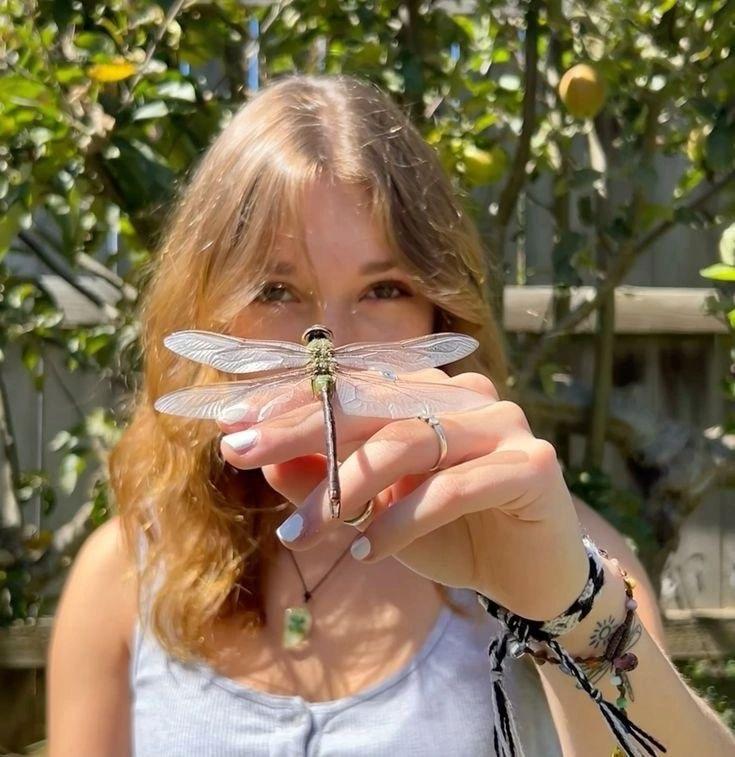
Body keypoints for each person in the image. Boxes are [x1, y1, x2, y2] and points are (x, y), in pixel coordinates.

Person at [46, 74, 735, 756]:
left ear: (440, 309)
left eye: (382, 289)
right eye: (276, 289)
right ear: (209, 309)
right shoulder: (121, 575)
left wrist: (572, 609)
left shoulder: (554, 543)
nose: (333, 334)